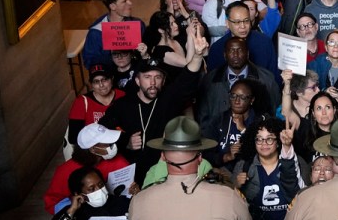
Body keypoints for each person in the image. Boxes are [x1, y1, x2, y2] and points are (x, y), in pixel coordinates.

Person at [100, 26, 208, 186]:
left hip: (164, 173)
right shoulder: (123, 105)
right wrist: (124, 142)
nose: (152, 83)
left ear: (163, 81)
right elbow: (100, 132)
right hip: (131, 176)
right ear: (137, 80)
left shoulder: (168, 99)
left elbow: (187, 78)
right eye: (147, 77)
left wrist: (198, 56)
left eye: (158, 77)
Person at [198, 37, 280, 136]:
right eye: (231, 51)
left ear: (248, 53)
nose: (236, 55)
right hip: (218, 143)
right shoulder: (210, 80)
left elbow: (274, 113)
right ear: (225, 55)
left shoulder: (266, 79)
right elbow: (203, 118)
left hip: (257, 142)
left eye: (240, 50)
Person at [44, 123, 133, 214]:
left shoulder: (119, 162)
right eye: (107, 144)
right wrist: (74, 207)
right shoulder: (64, 172)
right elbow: (52, 203)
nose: (113, 146)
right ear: (93, 149)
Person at [207, 2, 278, 76]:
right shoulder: (217, 48)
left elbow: (274, 78)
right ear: (227, 23)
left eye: (246, 21)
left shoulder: (265, 43)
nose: (243, 26)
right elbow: (212, 82)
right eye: (237, 22)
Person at [84, 0, 146, 67]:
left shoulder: (138, 24)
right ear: (113, 6)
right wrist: (114, 57)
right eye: (125, 1)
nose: (130, 3)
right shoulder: (96, 32)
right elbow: (89, 61)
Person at [68, 64, 126, 146]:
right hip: (94, 149)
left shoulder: (123, 96)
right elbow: (73, 137)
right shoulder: (82, 102)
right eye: (96, 81)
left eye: (104, 79)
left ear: (112, 79)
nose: (101, 85)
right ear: (91, 84)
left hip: (121, 145)